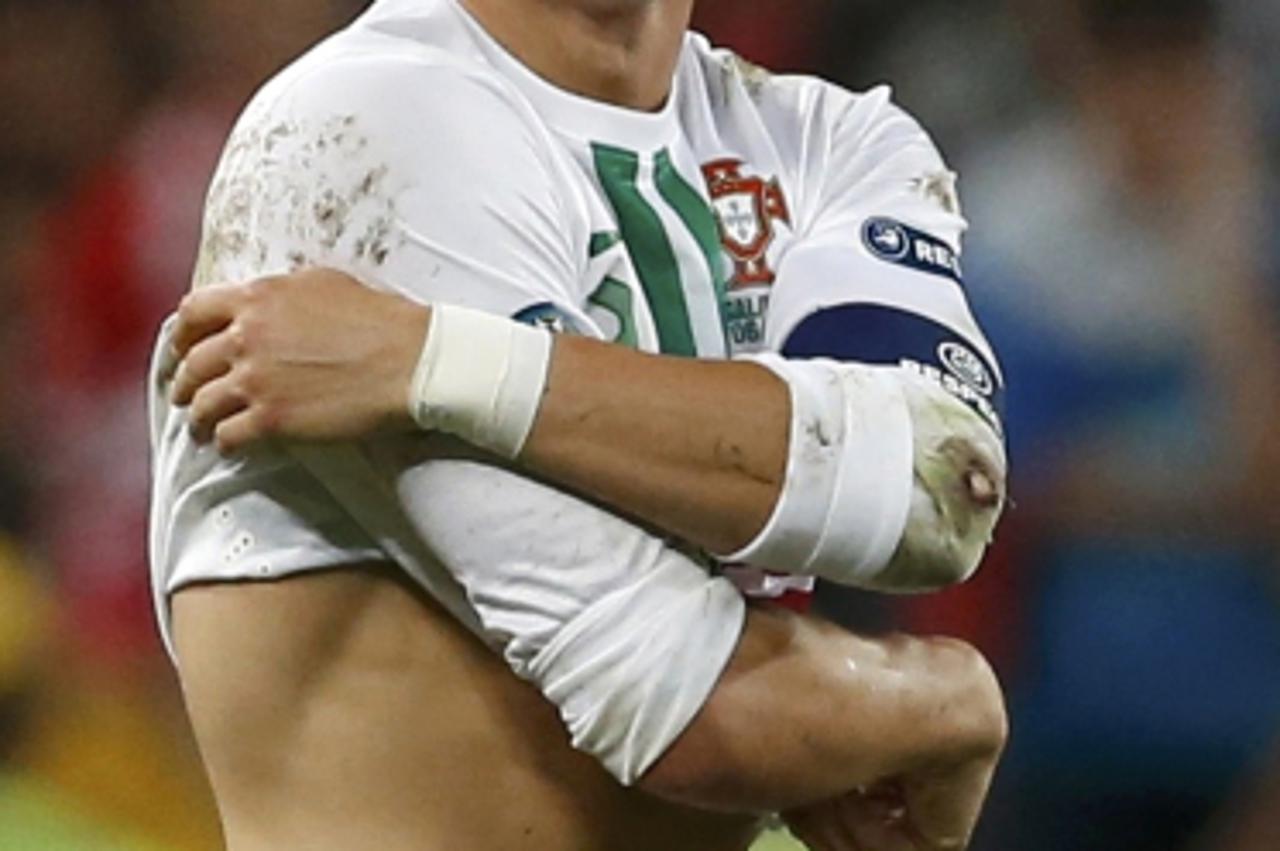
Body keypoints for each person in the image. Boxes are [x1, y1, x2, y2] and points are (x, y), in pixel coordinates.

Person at [149, 0, 1010, 848]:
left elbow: (940, 488)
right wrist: (954, 699)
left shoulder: (830, 144)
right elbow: (694, 709)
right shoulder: (361, 131)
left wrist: (437, 363)